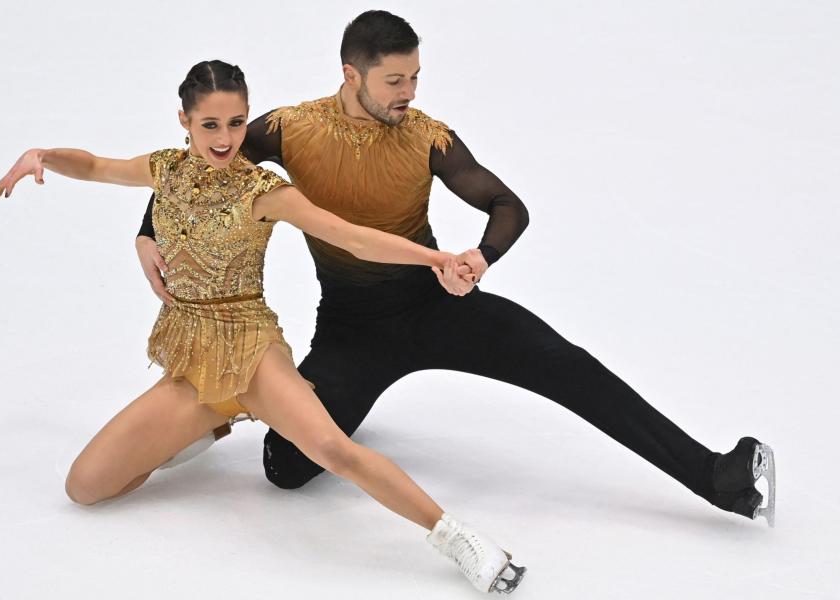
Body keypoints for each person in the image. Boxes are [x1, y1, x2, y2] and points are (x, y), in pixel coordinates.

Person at [136, 11, 777, 526]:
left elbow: (507, 205)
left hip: (436, 306)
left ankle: (718, 477)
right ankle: (225, 415)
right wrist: (146, 230)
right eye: (395, 81)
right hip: (350, 331)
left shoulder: (427, 136)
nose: (410, 93)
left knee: (567, 364)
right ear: (351, 75)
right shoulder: (290, 128)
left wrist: (479, 256)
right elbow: (201, 164)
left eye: (415, 77)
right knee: (284, 470)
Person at [0, 60, 526, 594]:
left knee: (333, 450)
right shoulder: (165, 170)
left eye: (237, 123)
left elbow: (354, 237)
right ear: (184, 120)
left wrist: (433, 259)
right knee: (86, 488)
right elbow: (95, 166)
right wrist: (42, 156)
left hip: (250, 352)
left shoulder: (264, 191)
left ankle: (457, 538)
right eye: (210, 125)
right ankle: (211, 423)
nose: (225, 138)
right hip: (193, 358)